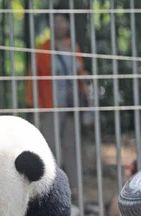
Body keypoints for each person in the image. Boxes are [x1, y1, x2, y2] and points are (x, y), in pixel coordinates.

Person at [25, 9, 92, 200]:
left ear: (69, 24)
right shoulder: (42, 49)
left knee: (72, 147)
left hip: (72, 106)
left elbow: (78, 72)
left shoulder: (74, 47)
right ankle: (52, 189)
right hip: (50, 106)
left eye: (63, 21)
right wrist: (34, 104)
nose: (59, 25)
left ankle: (75, 189)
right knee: (51, 147)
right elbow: (33, 77)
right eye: (56, 22)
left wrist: (84, 77)